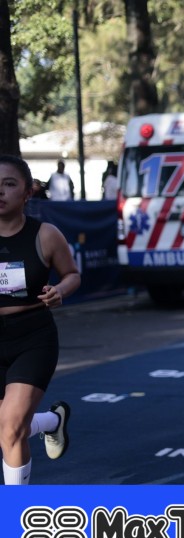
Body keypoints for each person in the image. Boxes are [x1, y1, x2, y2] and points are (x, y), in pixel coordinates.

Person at [0, 155, 80, 484]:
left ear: (27, 193)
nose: (0, 191)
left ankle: (16, 510)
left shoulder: (45, 234)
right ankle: (51, 422)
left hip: (32, 337)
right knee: (7, 426)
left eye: (9, 184)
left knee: (11, 429)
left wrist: (60, 290)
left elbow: (72, 274)